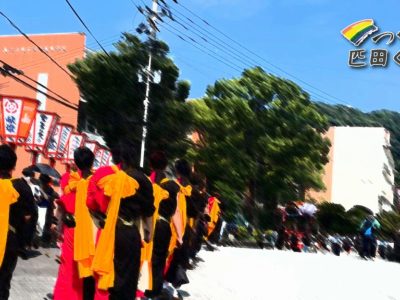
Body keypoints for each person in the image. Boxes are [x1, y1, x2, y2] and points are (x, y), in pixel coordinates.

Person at [87, 141, 154, 300]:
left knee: (111, 276)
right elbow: (148, 212)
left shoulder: (109, 177)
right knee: (128, 277)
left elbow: (95, 204)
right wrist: (148, 234)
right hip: (130, 232)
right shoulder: (143, 181)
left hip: (110, 231)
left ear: (120, 158)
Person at [53, 147, 96, 300]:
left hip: (72, 230)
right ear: (92, 162)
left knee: (69, 269)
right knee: (89, 269)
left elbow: (61, 208)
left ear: (76, 162)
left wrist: (58, 231)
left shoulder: (68, 180)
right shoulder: (97, 181)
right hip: (93, 230)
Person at [143, 151, 179, 299]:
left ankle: (145, 288)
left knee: (147, 258)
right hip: (164, 226)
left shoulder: (147, 183)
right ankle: (155, 292)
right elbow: (175, 211)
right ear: (165, 166)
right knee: (159, 261)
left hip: (148, 224)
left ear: (150, 165)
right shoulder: (172, 186)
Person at [164, 159, 192, 299]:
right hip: (183, 225)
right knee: (174, 257)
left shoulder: (173, 186)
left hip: (170, 224)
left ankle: (164, 284)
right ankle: (169, 285)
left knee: (168, 256)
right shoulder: (188, 189)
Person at [0, 144, 23, 300]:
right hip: (9, 242)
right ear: (13, 165)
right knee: (3, 284)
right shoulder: (19, 187)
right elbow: (28, 216)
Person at [11, 167, 39, 258]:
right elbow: (29, 201)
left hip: (15, 212)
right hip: (24, 214)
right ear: (29, 177)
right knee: (23, 232)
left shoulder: (15, 182)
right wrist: (28, 214)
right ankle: (21, 249)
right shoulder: (26, 186)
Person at [40, 174, 59, 247]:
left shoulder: (48, 188)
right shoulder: (47, 188)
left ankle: (44, 240)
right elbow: (56, 195)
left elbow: (56, 195)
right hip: (45, 208)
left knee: (47, 224)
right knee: (46, 224)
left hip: (46, 208)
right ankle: (44, 240)